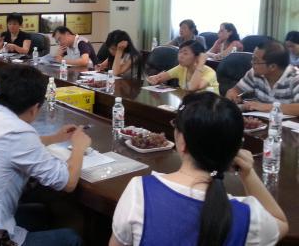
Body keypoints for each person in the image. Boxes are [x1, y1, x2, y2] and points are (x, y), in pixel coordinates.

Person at [109, 92, 288, 246]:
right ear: (236, 148)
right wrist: (248, 174)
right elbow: (280, 223)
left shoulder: (140, 192)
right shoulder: (250, 218)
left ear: (182, 141)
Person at [0, 65, 90, 246]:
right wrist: (79, 147)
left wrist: (55, 138)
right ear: (35, 108)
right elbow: (68, 183)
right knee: (71, 238)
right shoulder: (19, 133)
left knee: (42, 212)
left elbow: (10, 146)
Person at [226, 40, 299, 115]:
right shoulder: (254, 73)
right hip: (260, 119)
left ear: (272, 67)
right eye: (252, 59)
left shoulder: (295, 77)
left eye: (255, 60)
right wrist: (232, 94)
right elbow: (235, 90)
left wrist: (265, 107)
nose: (251, 63)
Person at [147, 40, 219, 93]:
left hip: (210, 107)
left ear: (197, 57)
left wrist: (200, 64)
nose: (180, 56)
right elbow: (161, 78)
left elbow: (192, 88)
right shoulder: (181, 68)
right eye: (180, 52)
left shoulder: (209, 73)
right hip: (191, 104)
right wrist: (155, 78)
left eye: (185, 53)